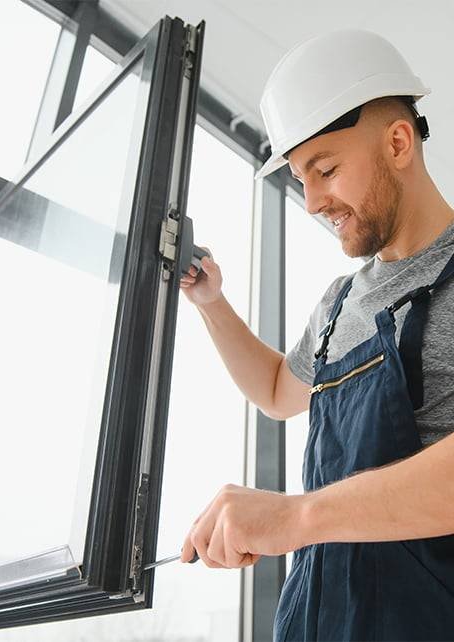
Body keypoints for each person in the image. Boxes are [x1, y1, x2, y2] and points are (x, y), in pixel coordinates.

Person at [179, 28, 454, 641]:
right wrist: (211, 303)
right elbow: (279, 390)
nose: (310, 202)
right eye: (301, 178)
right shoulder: (341, 302)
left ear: (399, 142)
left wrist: (296, 517)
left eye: (325, 169)